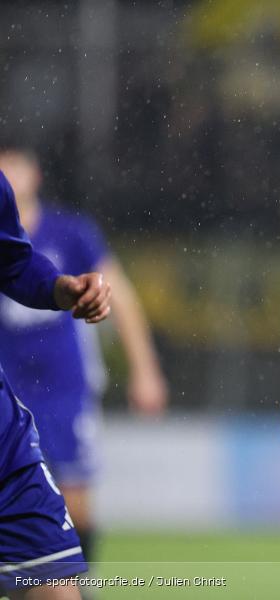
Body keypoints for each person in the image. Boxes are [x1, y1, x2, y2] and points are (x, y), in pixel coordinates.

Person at [0, 148, 168, 570]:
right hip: (8, 388)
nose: (9, 174)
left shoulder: (70, 232)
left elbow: (119, 296)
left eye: (16, 165)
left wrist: (145, 370)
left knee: (75, 501)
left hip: (62, 387)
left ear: (35, 175)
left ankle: (81, 582)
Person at [0, 168, 111, 599]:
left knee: (57, 588)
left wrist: (56, 287)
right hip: (22, 387)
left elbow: (12, 261)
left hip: (6, 432)